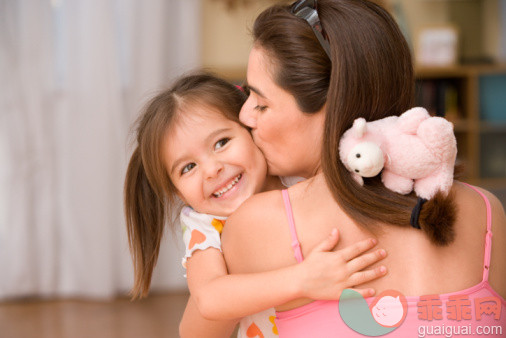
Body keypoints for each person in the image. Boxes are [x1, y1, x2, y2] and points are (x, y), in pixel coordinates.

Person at [222, 0, 506, 336]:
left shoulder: (258, 223)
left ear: (333, 104)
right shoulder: (486, 212)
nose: (244, 116)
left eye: (261, 103)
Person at [123, 72, 388, 337]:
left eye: (221, 142)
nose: (212, 170)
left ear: (251, 130)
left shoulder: (294, 175)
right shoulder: (204, 224)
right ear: (177, 193)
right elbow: (209, 298)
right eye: (188, 167)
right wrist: (303, 279)